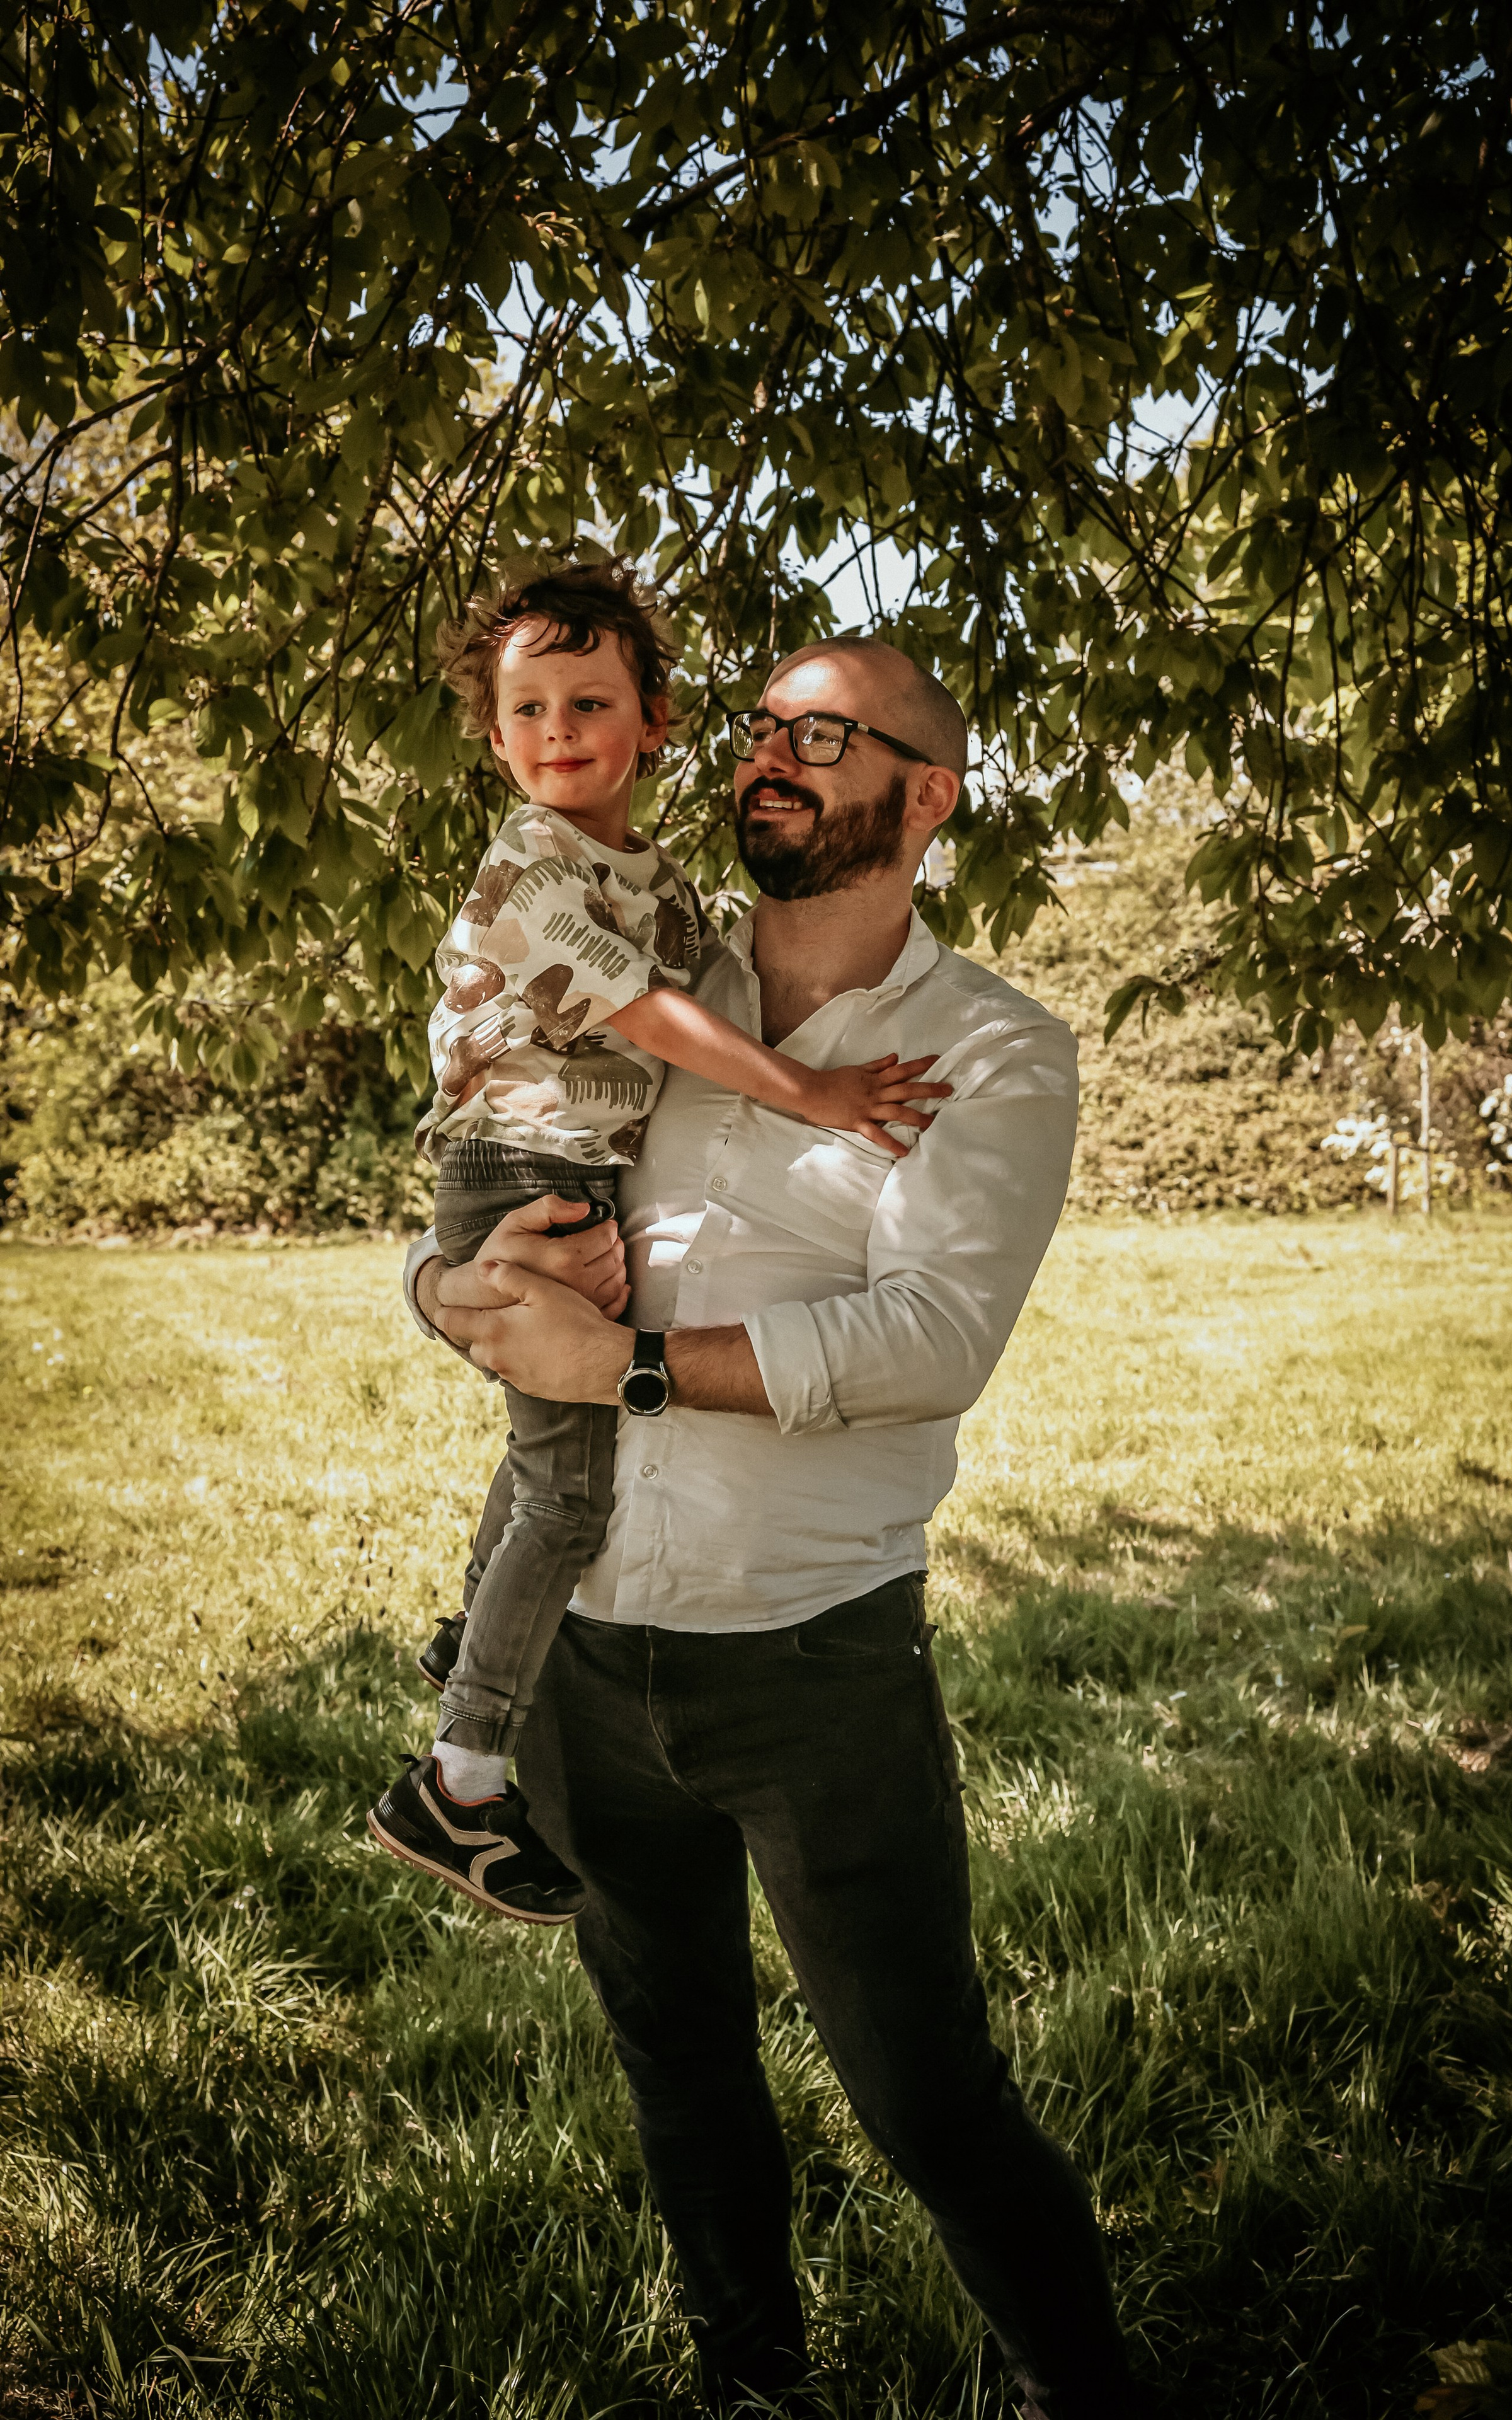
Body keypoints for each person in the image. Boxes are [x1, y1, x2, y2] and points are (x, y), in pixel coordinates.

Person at [401, 632, 1142, 2417]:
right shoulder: (656, 974)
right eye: (756, 729)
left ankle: (1084, 2390)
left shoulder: (991, 1049)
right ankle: (752, 2385)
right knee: (679, 2067)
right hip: (586, 1655)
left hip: (813, 1662)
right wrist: (443, 1285)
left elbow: (930, 1340)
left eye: (820, 736)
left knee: (925, 2094)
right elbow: (485, 1162)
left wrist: (631, 1365)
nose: (765, 758)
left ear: (926, 793)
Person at [367, 560, 949, 1922]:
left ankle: (473, 1632)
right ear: (494, 737)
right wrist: (811, 1093)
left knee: (549, 1462)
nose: (557, 730)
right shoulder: (528, 867)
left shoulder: (664, 883)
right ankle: (459, 1776)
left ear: (654, 722)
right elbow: (647, 1016)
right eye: (527, 709)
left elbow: (731, 980)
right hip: (519, 1174)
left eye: (589, 701)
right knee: (569, 1493)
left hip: (579, 1174)